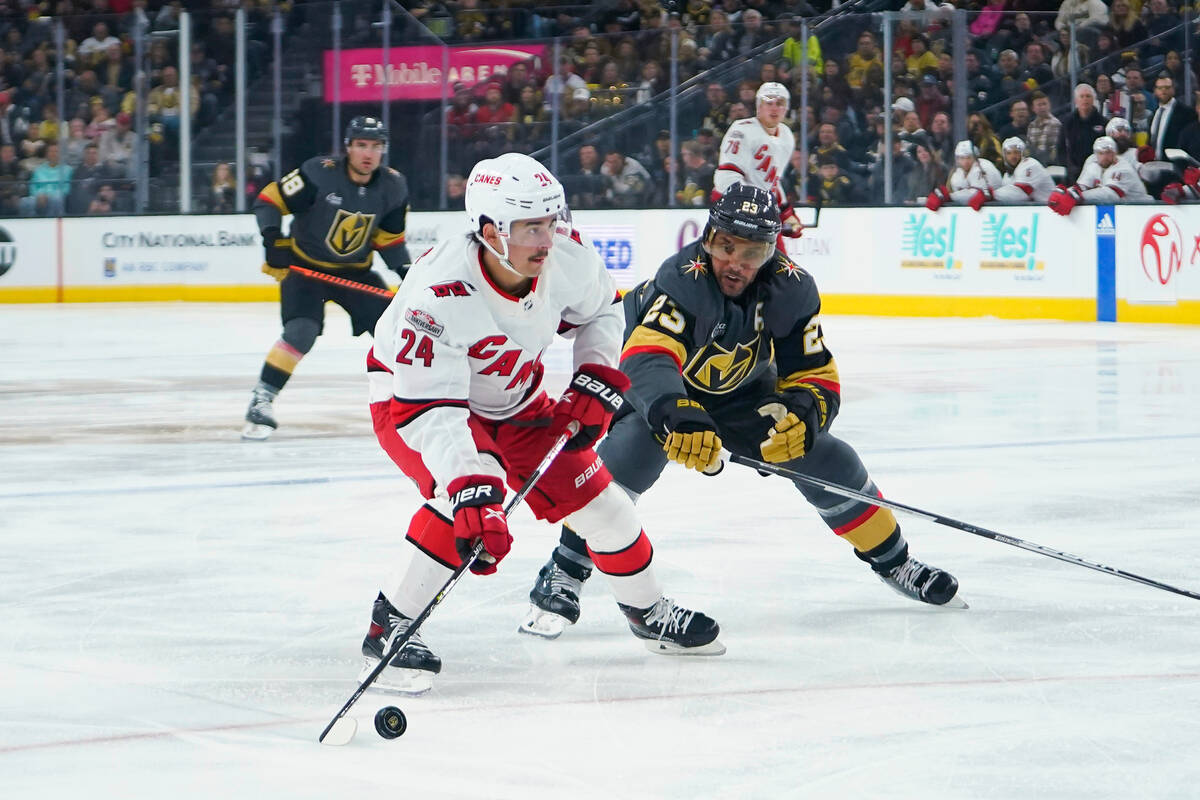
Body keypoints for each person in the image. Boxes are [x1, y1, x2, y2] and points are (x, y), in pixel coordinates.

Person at [519, 183, 961, 639]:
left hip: (742, 396)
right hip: (655, 391)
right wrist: (679, 416)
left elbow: (814, 370)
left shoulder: (792, 287)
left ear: (771, 251)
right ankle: (564, 570)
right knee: (624, 462)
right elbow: (646, 358)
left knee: (830, 459)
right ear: (708, 237)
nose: (734, 262)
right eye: (724, 245)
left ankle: (896, 562)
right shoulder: (681, 278)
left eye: (751, 252)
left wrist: (806, 414)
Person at [361, 153, 724, 692]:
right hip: (416, 402)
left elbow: (603, 311)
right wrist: (471, 487)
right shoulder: (437, 294)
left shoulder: (564, 256)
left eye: (551, 221)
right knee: (458, 499)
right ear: (489, 231)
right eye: (531, 226)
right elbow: (429, 411)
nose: (547, 238)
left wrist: (595, 376)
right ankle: (388, 626)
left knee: (606, 507)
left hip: (512, 394)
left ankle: (648, 614)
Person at [242, 116, 411, 440]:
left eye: (376, 147)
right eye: (361, 145)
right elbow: (269, 201)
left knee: (397, 334)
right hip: (306, 270)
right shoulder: (320, 173)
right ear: (348, 147)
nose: (368, 153)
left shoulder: (393, 186)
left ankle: (420, 401)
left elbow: (389, 240)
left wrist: (406, 271)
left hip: (355, 273)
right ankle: (262, 399)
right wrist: (273, 239)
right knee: (300, 331)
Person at [714, 81, 801, 244]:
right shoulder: (741, 129)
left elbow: (772, 183)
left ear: (786, 108)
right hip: (732, 211)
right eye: (768, 102)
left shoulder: (786, 135)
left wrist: (786, 214)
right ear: (758, 106)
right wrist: (747, 209)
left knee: (779, 265)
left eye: (780, 103)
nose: (774, 108)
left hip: (761, 213)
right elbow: (727, 177)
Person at [1048, 136, 1150, 215]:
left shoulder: (1123, 168)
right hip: (1125, 212)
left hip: (1144, 210)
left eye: (1108, 153)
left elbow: (1111, 195)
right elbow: (1080, 188)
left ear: (1115, 153)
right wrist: (1067, 193)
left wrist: (1078, 196)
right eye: (1100, 153)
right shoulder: (1093, 166)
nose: (1104, 156)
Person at [925, 140, 1003, 211]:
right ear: (957, 159)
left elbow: (975, 194)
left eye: (968, 158)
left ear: (974, 157)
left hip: (997, 208)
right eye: (962, 158)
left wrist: (949, 197)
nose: (965, 162)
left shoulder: (982, 167)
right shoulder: (957, 174)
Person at [988, 137, 1056, 205]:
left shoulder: (1030, 164)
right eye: (1009, 153)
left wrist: (991, 194)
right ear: (1004, 156)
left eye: (1016, 152)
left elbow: (1022, 193)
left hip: (1051, 208)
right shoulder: (1007, 176)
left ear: (1022, 153)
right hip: (1035, 211)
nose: (1013, 156)